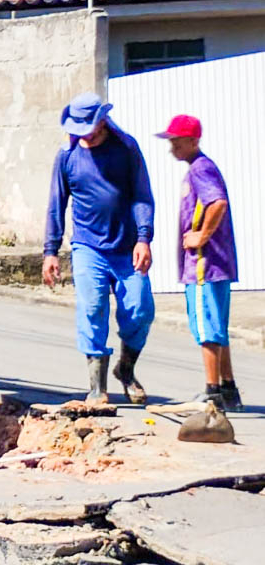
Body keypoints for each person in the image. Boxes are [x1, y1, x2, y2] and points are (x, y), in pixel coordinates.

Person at [43, 92, 155, 404]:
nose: (81, 135)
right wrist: (50, 251)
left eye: (87, 128)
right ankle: (97, 386)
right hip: (87, 247)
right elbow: (56, 204)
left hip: (127, 247)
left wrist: (144, 237)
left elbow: (142, 195)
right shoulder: (67, 156)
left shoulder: (126, 148)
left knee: (141, 309)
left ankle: (126, 369)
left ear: (102, 122)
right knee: (92, 308)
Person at [157, 114, 243, 411]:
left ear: (192, 141)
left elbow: (217, 203)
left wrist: (201, 236)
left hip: (205, 266)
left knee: (207, 329)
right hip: (213, 265)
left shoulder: (200, 169)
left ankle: (213, 391)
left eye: (176, 142)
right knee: (216, 326)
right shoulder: (199, 168)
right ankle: (229, 388)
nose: (172, 148)